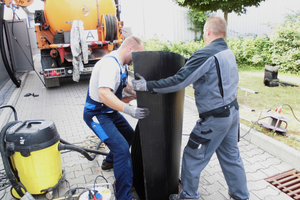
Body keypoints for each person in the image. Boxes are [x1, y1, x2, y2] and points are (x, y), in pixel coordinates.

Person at [132, 17, 250, 200]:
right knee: (232, 158)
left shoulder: (205, 54)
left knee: (192, 157)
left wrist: (147, 86)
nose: (204, 35)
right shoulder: (228, 52)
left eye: (204, 32)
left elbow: (179, 81)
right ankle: (241, 196)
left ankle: (188, 196)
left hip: (214, 119)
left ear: (208, 31)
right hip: (232, 114)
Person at [83, 36, 149, 200]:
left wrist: (143, 94)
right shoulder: (109, 64)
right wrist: (129, 110)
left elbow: (125, 86)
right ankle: (123, 196)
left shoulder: (122, 65)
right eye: (137, 55)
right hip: (97, 114)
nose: (136, 60)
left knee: (131, 137)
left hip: (110, 112)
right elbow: (104, 94)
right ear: (130, 49)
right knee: (121, 150)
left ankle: (109, 161)